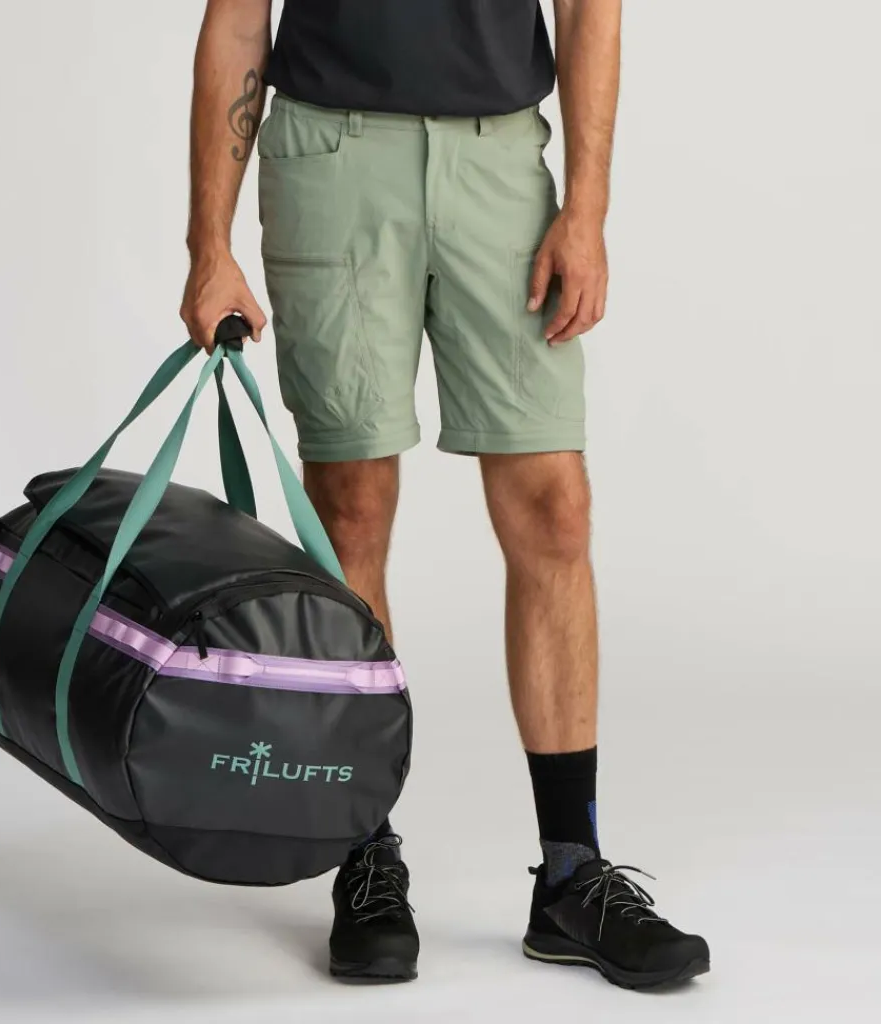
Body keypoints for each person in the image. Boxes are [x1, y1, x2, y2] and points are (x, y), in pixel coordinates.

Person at [180, 0, 709, 990]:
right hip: (331, 156)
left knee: (553, 505)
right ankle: (363, 853)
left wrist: (587, 207)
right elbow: (238, 16)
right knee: (349, 504)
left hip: (498, 159)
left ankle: (573, 873)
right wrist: (208, 244)